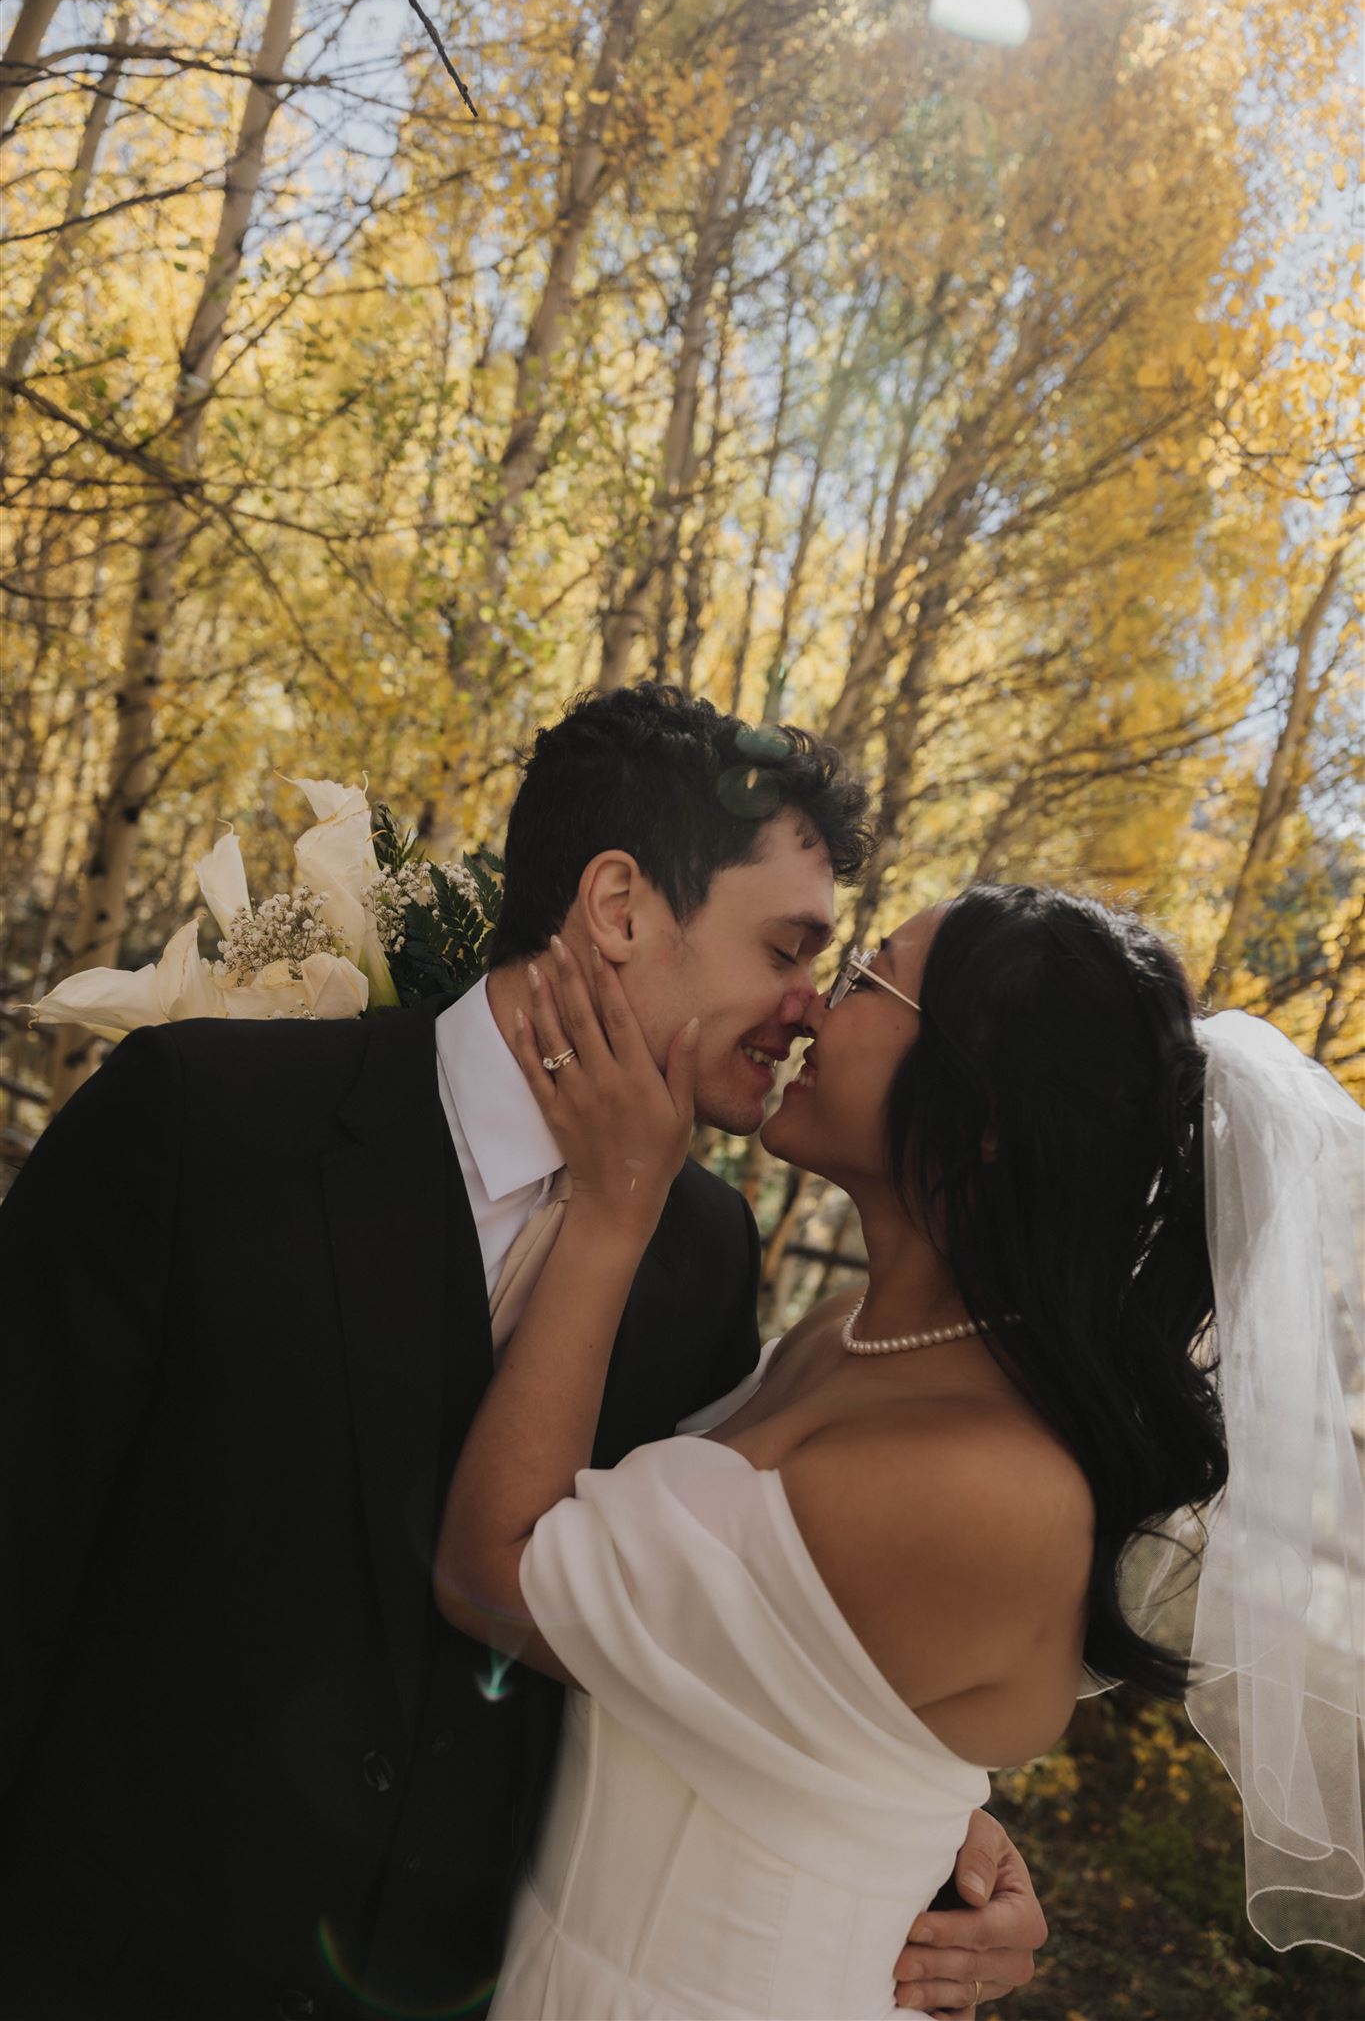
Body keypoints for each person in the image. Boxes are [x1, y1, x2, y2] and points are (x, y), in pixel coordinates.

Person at [0, 687, 1044, 2021]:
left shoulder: (709, 1254)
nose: (806, 1009)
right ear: (616, 909)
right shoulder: (200, 1124)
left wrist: (940, 1849)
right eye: (787, 948)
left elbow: (684, 1631)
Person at [434, 882, 1364, 2016]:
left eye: (868, 977)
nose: (815, 1006)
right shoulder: (848, 1332)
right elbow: (804, 1701)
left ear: (982, 1118)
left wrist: (615, 1199)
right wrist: (948, 1829)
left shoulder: (991, 1483)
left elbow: (495, 1573)